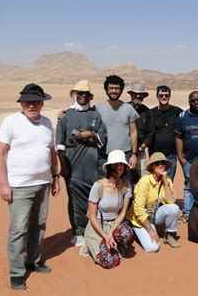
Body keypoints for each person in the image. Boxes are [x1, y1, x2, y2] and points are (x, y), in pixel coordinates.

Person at [0, 83, 61, 291]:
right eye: (27, 101)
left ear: (42, 103)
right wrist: (4, 184)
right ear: (21, 103)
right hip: (19, 186)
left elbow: (51, 152)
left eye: (35, 101)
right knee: (18, 230)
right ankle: (16, 272)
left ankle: (34, 260)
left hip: (43, 183)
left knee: (39, 224)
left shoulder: (47, 123)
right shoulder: (11, 122)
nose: (31, 105)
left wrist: (55, 177)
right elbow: (0, 154)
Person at [56, 80, 107, 247]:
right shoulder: (65, 115)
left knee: (92, 197)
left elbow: (103, 137)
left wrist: (90, 135)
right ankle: (77, 231)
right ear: (74, 95)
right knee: (75, 199)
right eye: (80, 93)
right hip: (72, 164)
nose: (83, 96)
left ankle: (92, 228)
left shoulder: (95, 115)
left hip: (92, 162)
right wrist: (63, 167)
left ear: (90, 96)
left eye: (86, 94)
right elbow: (59, 144)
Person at [58, 75, 139, 167]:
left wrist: (134, 154)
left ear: (121, 90)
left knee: (125, 181)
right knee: (104, 181)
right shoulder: (97, 108)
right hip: (103, 154)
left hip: (125, 154)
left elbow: (133, 131)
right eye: (111, 88)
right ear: (106, 90)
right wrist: (64, 112)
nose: (114, 91)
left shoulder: (128, 108)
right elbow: (82, 110)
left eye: (117, 88)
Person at [83, 150, 134, 268]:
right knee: (111, 262)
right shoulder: (98, 186)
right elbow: (92, 216)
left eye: (121, 164)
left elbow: (122, 214)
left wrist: (110, 233)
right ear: (110, 166)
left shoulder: (126, 186)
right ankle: (92, 244)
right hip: (98, 227)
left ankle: (115, 244)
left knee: (126, 234)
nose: (119, 167)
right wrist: (106, 236)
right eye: (116, 164)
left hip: (114, 225)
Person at [126, 152, 181, 252]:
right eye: (157, 163)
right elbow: (138, 209)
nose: (161, 165)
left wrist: (165, 182)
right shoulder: (144, 182)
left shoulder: (167, 180)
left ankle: (169, 234)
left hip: (153, 215)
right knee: (153, 248)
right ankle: (135, 230)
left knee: (174, 208)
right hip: (139, 219)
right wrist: (150, 230)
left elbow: (171, 201)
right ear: (152, 167)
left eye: (163, 163)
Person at [175, 91, 198, 223]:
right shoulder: (182, 117)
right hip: (189, 160)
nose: (196, 103)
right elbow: (179, 137)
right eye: (193, 101)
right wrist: (180, 157)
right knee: (189, 185)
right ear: (189, 102)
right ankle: (187, 212)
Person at [150, 85, 183, 180]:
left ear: (169, 96)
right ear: (157, 96)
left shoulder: (176, 111)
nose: (164, 97)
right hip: (156, 155)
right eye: (161, 95)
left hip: (171, 155)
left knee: (168, 182)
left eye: (166, 95)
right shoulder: (152, 113)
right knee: (155, 182)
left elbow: (190, 115)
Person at [127, 83, 154, 181]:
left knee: (142, 172)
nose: (138, 96)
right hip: (126, 148)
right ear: (131, 95)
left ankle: (139, 195)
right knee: (125, 172)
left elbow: (151, 131)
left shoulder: (147, 111)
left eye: (140, 95)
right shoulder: (124, 108)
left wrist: (143, 145)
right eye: (135, 94)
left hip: (141, 149)